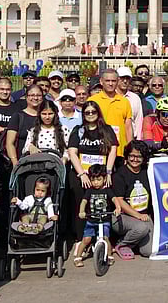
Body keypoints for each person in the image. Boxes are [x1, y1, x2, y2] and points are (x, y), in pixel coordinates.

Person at [66, 101, 117, 250]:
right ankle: (81, 238)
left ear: (98, 113)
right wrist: (81, 174)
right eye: (87, 112)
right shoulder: (78, 130)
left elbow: (112, 150)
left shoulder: (106, 130)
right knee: (81, 202)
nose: (90, 115)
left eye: (93, 112)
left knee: (103, 202)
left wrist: (108, 172)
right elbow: (72, 152)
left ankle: (103, 237)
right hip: (82, 172)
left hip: (101, 173)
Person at [112, 140, 153, 258]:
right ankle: (121, 244)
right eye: (132, 156)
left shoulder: (147, 171)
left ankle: (133, 241)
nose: (135, 159)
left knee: (148, 251)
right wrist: (138, 216)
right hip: (121, 216)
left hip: (143, 215)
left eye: (139, 156)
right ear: (127, 156)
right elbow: (119, 200)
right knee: (142, 227)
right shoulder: (120, 174)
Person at [74, 164, 120, 267]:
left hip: (104, 220)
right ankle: (78, 256)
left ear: (104, 179)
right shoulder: (90, 190)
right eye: (93, 180)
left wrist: (117, 208)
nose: (95, 182)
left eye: (99, 179)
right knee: (86, 239)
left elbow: (114, 199)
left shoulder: (107, 190)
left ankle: (109, 256)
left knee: (106, 238)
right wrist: (81, 211)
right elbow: (84, 202)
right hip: (91, 220)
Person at [89, 69, 133, 160]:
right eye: (107, 81)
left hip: (120, 151)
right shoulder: (92, 101)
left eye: (113, 81)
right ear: (101, 81)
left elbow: (128, 127)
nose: (110, 84)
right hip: (98, 150)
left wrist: (130, 150)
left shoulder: (124, 102)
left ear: (117, 82)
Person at [4, 84, 44, 167]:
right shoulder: (18, 116)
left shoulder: (46, 116)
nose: (35, 98)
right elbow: (9, 143)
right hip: (22, 163)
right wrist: (15, 163)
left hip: (43, 163)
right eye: (32, 95)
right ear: (26, 97)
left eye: (38, 95)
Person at [116, 67, 143, 140]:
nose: (125, 81)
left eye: (127, 78)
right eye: (122, 78)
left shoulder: (135, 98)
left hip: (132, 138)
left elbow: (139, 121)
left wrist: (138, 140)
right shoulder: (111, 96)